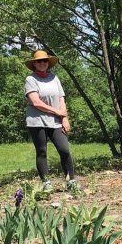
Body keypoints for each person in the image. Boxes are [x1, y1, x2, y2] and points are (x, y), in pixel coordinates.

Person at [24, 49, 80, 192]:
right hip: (37, 121)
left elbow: (61, 99)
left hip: (55, 121)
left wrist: (64, 118)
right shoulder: (31, 80)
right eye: (39, 61)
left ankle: (71, 181)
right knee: (42, 151)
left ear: (48, 63)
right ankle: (46, 183)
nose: (42, 63)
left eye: (44, 61)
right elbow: (36, 102)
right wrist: (58, 112)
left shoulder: (55, 78)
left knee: (64, 150)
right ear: (34, 64)